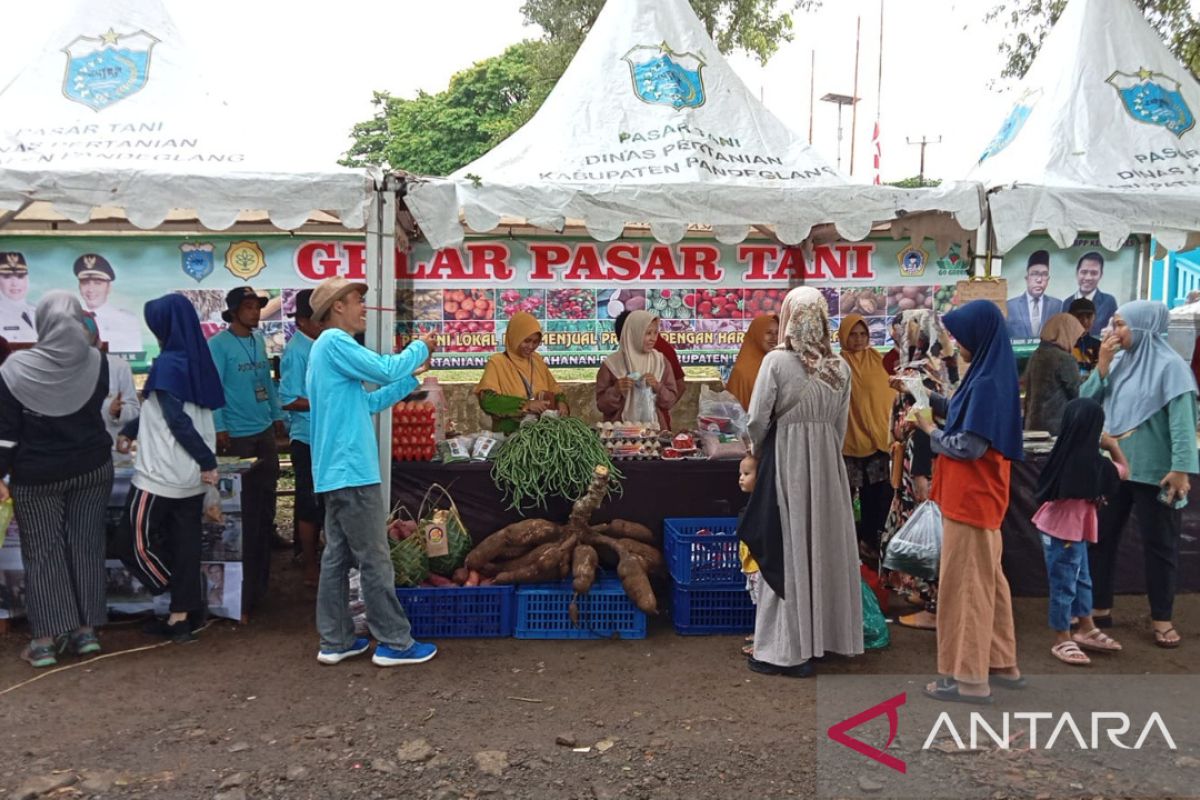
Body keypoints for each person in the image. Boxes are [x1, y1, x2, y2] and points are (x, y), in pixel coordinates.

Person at [307, 277, 439, 667]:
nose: (363, 307)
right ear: (337, 308)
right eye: (356, 301)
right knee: (375, 559)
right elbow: (384, 369)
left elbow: (367, 402)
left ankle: (336, 640)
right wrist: (421, 348)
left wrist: (412, 380)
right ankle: (395, 642)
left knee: (337, 558)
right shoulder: (335, 342)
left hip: (335, 470)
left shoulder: (324, 350)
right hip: (352, 470)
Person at [741, 287, 862, 677]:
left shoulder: (776, 363)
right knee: (821, 545)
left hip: (786, 461)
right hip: (827, 464)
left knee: (786, 544)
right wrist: (825, 450)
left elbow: (758, 419)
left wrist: (753, 452)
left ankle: (783, 651)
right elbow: (841, 424)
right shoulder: (840, 368)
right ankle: (822, 640)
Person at [914, 300, 1023, 704]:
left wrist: (928, 430)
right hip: (980, 499)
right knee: (988, 583)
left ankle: (969, 680)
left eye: (960, 336)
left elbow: (968, 445)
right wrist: (925, 396)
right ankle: (1001, 662)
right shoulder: (990, 375)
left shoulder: (987, 383)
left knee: (966, 590)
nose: (955, 343)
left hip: (970, 500)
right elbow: (963, 413)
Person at [0, 292, 114, 668]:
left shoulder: (14, 369)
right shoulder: (97, 362)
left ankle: (46, 641)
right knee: (85, 546)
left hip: (36, 476)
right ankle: (86, 633)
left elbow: (6, 435)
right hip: (92, 468)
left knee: (43, 552)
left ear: (42, 322)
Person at [1081, 301, 1198, 648]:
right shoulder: (1117, 364)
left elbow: (1182, 425)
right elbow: (1085, 406)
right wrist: (1101, 367)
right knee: (1100, 540)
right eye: (1114, 325)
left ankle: (1161, 618)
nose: (1114, 333)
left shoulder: (1172, 368)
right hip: (1113, 469)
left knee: (1160, 546)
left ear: (1145, 327)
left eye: (1121, 325)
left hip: (1155, 473)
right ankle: (1099, 608)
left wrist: (1180, 470)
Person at [115, 295, 223, 643]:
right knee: (185, 546)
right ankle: (181, 617)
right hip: (190, 476)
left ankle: (176, 592)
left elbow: (176, 421)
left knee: (131, 543)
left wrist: (207, 461)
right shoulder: (196, 361)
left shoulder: (167, 364)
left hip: (159, 474)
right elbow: (162, 411)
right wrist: (130, 431)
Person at [1032, 398, 1127, 666]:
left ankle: (1085, 626)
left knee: (1080, 578)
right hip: (1066, 535)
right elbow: (1124, 472)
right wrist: (1113, 446)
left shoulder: (1062, 455)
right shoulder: (1096, 464)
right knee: (1066, 584)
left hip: (1062, 530)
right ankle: (1062, 637)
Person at [208, 287, 286, 594]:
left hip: (263, 427)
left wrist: (277, 413)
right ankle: (244, 565)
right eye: (250, 307)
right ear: (234, 312)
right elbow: (213, 387)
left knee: (268, 490)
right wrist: (218, 425)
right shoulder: (218, 345)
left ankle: (266, 542)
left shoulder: (256, 340)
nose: (255, 312)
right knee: (244, 503)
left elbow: (266, 380)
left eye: (257, 307)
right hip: (236, 434)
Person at [881, 309, 953, 631]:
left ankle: (934, 607)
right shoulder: (939, 368)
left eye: (901, 330)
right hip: (924, 462)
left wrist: (921, 475)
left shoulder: (917, 373)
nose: (896, 335)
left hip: (920, 465)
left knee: (926, 536)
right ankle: (925, 597)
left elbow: (922, 425)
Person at [837, 315, 897, 559]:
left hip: (877, 444)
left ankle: (871, 544)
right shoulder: (836, 364)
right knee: (844, 499)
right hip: (848, 443)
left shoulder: (878, 360)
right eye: (853, 334)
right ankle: (845, 546)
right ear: (843, 336)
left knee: (876, 498)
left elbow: (885, 396)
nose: (859, 339)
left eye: (863, 334)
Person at [280, 289, 324, 586]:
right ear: (304, 321)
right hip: (306, 437)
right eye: (320, 319)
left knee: (325, 501)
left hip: (325, 435)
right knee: (308, 503)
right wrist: (327, 401)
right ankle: (309, 563)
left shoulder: (321, 344)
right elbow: (287, 398)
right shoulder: (297, 350)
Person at [474, 312, 567, 434]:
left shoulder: (537, 360)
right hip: (509, 436)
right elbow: (488, 400)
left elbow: (555, 389)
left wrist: (561, 402)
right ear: (515, 337)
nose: (531, 346)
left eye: (535, 342)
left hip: (541, 434)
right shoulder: (498, 362)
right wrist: (526, 405)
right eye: (526, 341)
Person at [596, 310, 680, 430]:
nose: (653, 339)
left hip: (653, 436)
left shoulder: (660, 362)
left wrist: (657, 386)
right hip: (619, 436)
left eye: (655, 333)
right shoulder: (612, 364)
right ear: (634, 333)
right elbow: (602, 405)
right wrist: (616, 390)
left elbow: (670, 400)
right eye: (648, 333)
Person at [82, 314, 140, 448]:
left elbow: (135, 411)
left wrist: (118, 412)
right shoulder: (58, 371)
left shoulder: (118, 366)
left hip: (112, 453)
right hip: (71, 455)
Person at [1021, 313, 1084, 435]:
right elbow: (1079, 393)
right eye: (1075, 337)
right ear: (1066, 333)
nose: (1075, 342)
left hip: (1032, 425)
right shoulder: (1064, 359)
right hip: (1057, 429)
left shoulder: (1036, 355)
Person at [73, 253, 142, 353]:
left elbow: (135, 358)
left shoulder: (127, 320)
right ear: (79, 287)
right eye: (85, 283)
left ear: (108, 288)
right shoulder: (72, 319)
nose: (91, 289)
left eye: (98, 283)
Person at [725, 315, 779, 411]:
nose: (774, 338)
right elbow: (734, 414)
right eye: (768, 332)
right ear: (756, 334)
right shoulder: (742, 371)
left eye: (777, 333)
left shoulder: (781, 365)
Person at [736, 453, 761, 658]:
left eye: (746, 473)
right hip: (751, 565)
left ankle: (763, 641)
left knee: (764, 604)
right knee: (759, 603)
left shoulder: (763, 504)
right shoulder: (754, 502)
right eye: (740, 474)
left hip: (760, 566)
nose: (741, 478)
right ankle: (761, 634)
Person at [1006, 250, 1062, 340]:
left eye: (1044, 274)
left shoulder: (1057, 305)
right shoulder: (1010, 306)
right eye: (1034, 274)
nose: (1039, 280)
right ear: (1027, 278)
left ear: (1048, 279)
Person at [1065, 252, 1118, 335]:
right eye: (1084, 272)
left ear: (1101, 275)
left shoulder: (1109, 302)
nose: (1088, 277)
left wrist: (1113, 330)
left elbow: (1116, 328)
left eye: (1094, 273)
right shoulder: (1067, 303)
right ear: (1077, 273)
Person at [0, 252, 36, 343]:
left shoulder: (39, 312)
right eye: (7, 276)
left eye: (20, 276)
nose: (15, 283)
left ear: (27, 279)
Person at [1068, 298, 1101, 375]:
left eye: (1089, 316)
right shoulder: (1060, 345)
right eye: (1079, 316)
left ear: (1094, 317)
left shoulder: (1099, 346)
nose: (1085, 321)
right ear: (1069, 317)